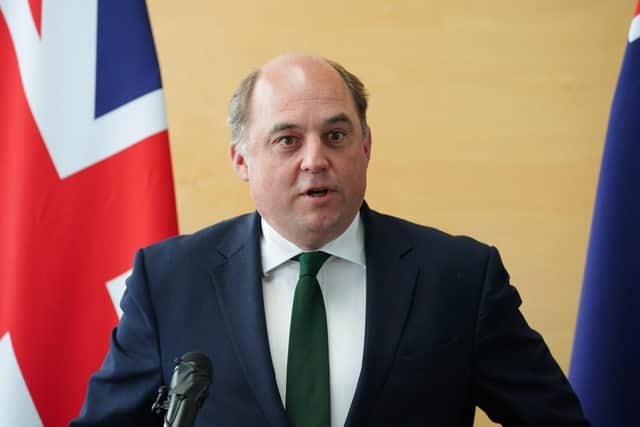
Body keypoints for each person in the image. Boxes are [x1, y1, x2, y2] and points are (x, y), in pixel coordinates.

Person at [71, 54, 589, 426]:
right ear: (241, 160)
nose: (315, 159)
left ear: (365, 147)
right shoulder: (169, 281)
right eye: (287, 139)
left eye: (336, 136)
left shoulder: (459, 276)